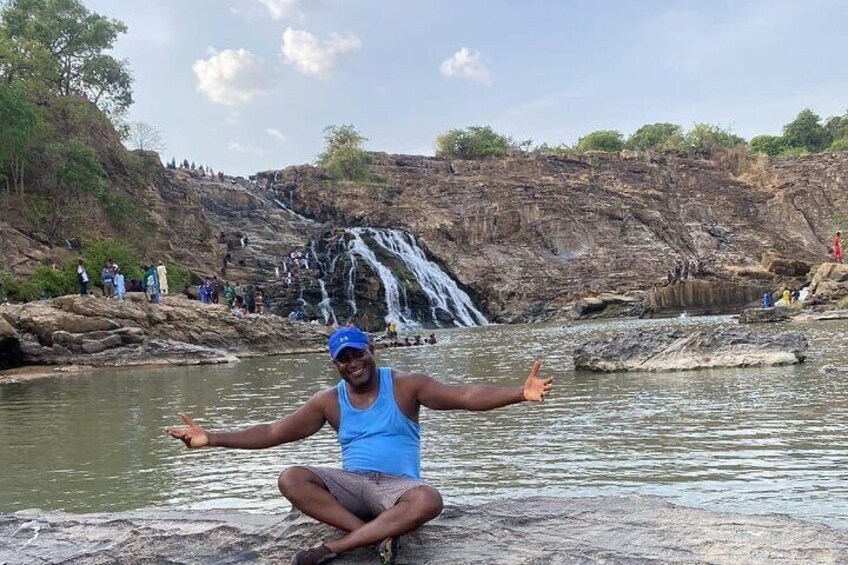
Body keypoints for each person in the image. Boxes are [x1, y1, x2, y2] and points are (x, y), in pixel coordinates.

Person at [167, 327, 552, 565]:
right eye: (344, 359)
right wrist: (211, 438)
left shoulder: (406, 385)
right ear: (335, 364)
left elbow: (465, 396)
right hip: (352, 486)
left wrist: (519, 393)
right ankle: (377, 536)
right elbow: (273, 432)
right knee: (291, 478)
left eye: (358, 353)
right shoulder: (329, 401)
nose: (353, 363)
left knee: (429, 500)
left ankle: (336, 548)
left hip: (398, 491)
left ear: (372, 350)